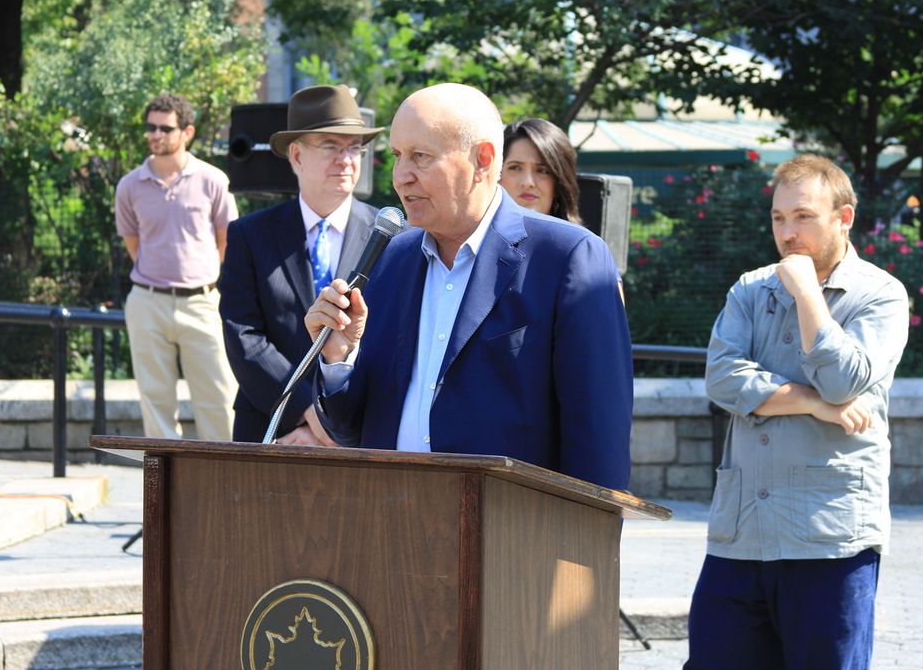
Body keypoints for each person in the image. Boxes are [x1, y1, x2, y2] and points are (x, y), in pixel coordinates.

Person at [297, 83, 632, 491]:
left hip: (513, 534)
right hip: (391, 527)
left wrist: (583, 548)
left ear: (482, 160)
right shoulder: (391, 259)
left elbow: (599, 434)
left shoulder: (568, 256)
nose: (401, 176)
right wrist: (338, 355)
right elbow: (353, 430)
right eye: (397, 156)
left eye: (421, 157)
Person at [682, 154, 909, 670]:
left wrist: (809, 295)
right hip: (741, 536)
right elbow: (721, 377)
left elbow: (846, 380)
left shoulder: (880, 296)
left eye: (803, 217)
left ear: (843, 218)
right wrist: (810, 404)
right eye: (779, 218)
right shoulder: (750, 290)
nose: (788, 233)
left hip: (828, 537)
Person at [218, 85, 381, 443]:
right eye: (330, 147)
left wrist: (336, 423)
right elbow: (243, 336)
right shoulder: (250, 234)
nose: (346, 159)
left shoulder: (389, 237)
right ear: (296, 155)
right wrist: (307, 414)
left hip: (362, 430)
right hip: (269, 424)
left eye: (354, 147)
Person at [115, 93, 238, 441]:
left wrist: (199, 275)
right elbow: (134, 244)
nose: (155, 135)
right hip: (147, 301)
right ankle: (166, 489)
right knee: (155, 402)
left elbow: (225, 240)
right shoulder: (129, 186)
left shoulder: (213, 180)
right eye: (150, 127)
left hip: (202, 302)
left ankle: (225, 483)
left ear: (187, 132)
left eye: (165, 128)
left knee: (219, 398)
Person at [502, 118, 582, 223]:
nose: (528, 182)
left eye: (542, 171)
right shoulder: (477, 237)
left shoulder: (582, 239)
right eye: (515, 168)